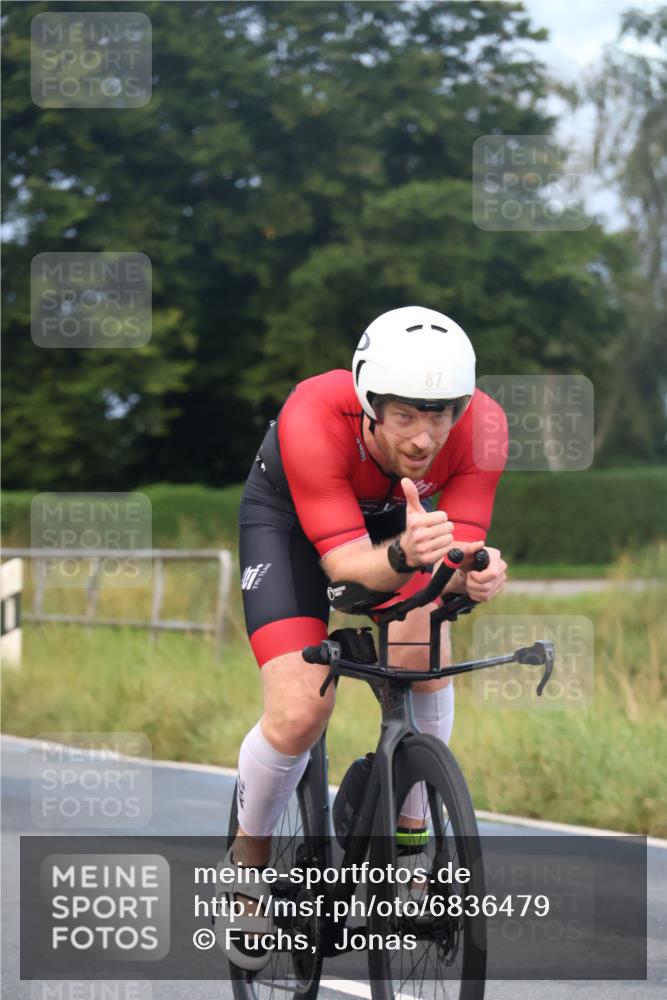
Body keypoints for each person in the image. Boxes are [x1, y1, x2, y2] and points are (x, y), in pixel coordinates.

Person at [223, 305, 508, 968]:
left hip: (402, 529)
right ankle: (247, 863)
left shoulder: (483, 427)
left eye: (439, 414)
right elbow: (343, 568)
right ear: (367, 400)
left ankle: (410, 839)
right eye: (404, 414)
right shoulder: (313, 414)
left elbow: (459, 552)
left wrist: (479, 572)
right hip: (294, 529)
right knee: (300, 708)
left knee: (422, 658)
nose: (424, 436)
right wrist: (410, 557)